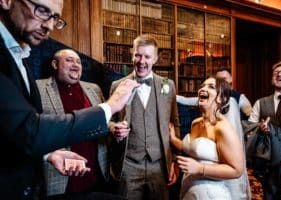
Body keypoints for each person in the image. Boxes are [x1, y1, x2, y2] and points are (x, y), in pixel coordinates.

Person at [0, 0, 138, 199]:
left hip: (94, 172)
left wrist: (49, 154)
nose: (48, 25)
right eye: (41, 10)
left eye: (55, 17)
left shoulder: (21, 58)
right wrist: (109, 106)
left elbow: (13, 132)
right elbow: (30, 128)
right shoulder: (38, 83)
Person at [109, 34, 181, 200]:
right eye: (138, 55)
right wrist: (114, 128)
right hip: (128, 165)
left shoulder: (167, 85)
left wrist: (174, 161)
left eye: (147, 56)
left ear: (155, 59)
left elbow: (174, 123)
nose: (142, 61)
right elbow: (108, 120)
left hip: (160, 165)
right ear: (132, 54)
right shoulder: (117, 86)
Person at [36, 49, 112, 198]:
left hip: (95, 173)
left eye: (78, 62)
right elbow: (31, 130)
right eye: (69, 60)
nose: (76, 65)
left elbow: (105, 121)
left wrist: (114, 127)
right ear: (55, 64)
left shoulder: (94, 89)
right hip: (59, 179)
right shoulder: (38, 88)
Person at [169, 77, 244, 200]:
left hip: (211, 193)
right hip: (189, 189)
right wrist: (172, 138)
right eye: (203, 86)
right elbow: (191, 148)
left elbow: (236, 170)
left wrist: (200, 168)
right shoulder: (196, 123)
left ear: (221, 98)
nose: (203, 88)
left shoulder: (223, 128)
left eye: (211, 87)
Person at [248, 61, 281, 200]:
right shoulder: (261, 102)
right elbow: (249, 128)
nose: (279, 74)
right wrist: (260, 128)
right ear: (272, 79)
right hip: (269, 162)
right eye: (276, 73)